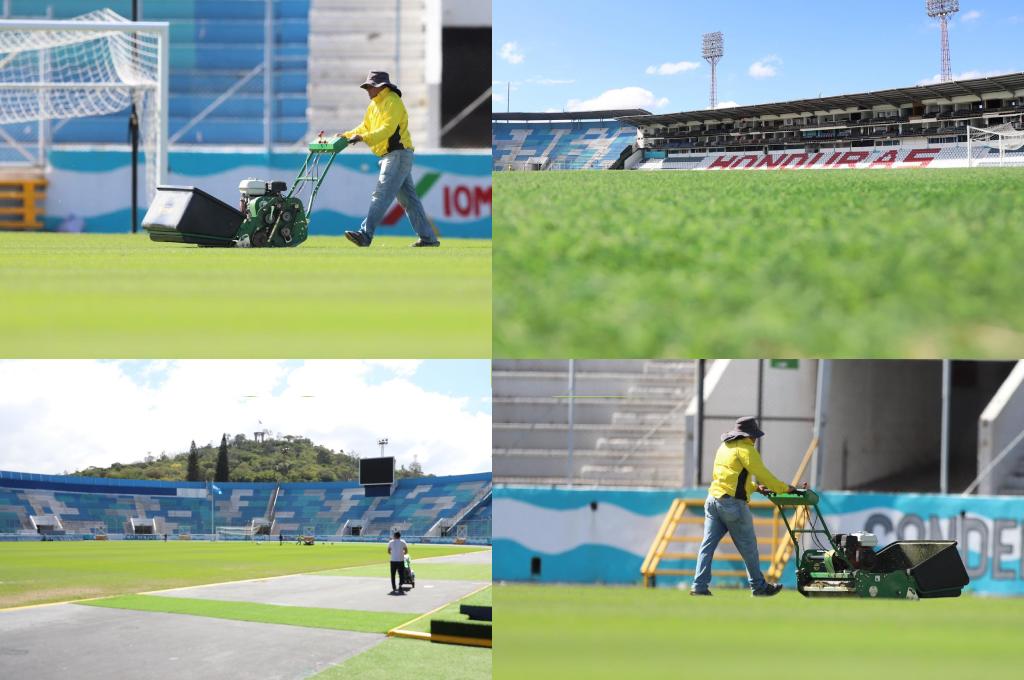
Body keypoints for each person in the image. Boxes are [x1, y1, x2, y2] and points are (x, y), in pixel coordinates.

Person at [691, 416, 803, 597]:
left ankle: (699, 585)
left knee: (707, 546)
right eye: (755, 436)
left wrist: (755, 488)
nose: (756, 439)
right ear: (750, 436)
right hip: (733, 504)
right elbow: (764, 475)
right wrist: (786, 489)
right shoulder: (747, 450)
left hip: (713, 500)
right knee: (749, 547)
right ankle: (758, 587)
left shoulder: (724, 447)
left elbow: (730, 477)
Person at [339, 71, 440, 248]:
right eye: (367, 87)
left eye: (370, 86)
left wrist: (363, 138)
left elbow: (387, 129)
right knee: (410, 201)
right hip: (395, 155)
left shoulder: (393, 101)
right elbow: (365, 127)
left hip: (398, 154)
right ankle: (429, 239)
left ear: (381, 87)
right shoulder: (374, 105)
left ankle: (365, 234)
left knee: (381, 194)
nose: (368, 90)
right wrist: (346, 136)